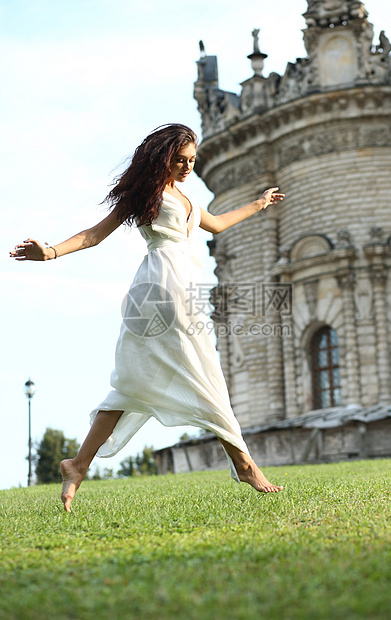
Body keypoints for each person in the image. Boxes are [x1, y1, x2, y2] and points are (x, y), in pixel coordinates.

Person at [10, 124, 285, 512]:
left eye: (191, 160)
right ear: (163, 158)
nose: (187, 166)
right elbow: (95, 234)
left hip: (183, 291)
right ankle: (244, 464)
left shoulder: (183, 197)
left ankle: (78, 465)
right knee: (204, 373)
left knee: (134, 383)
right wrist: (50, 253)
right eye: (180, 159)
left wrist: (259, 204)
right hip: (159, 290)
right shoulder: (147, 195)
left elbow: (218, 223)